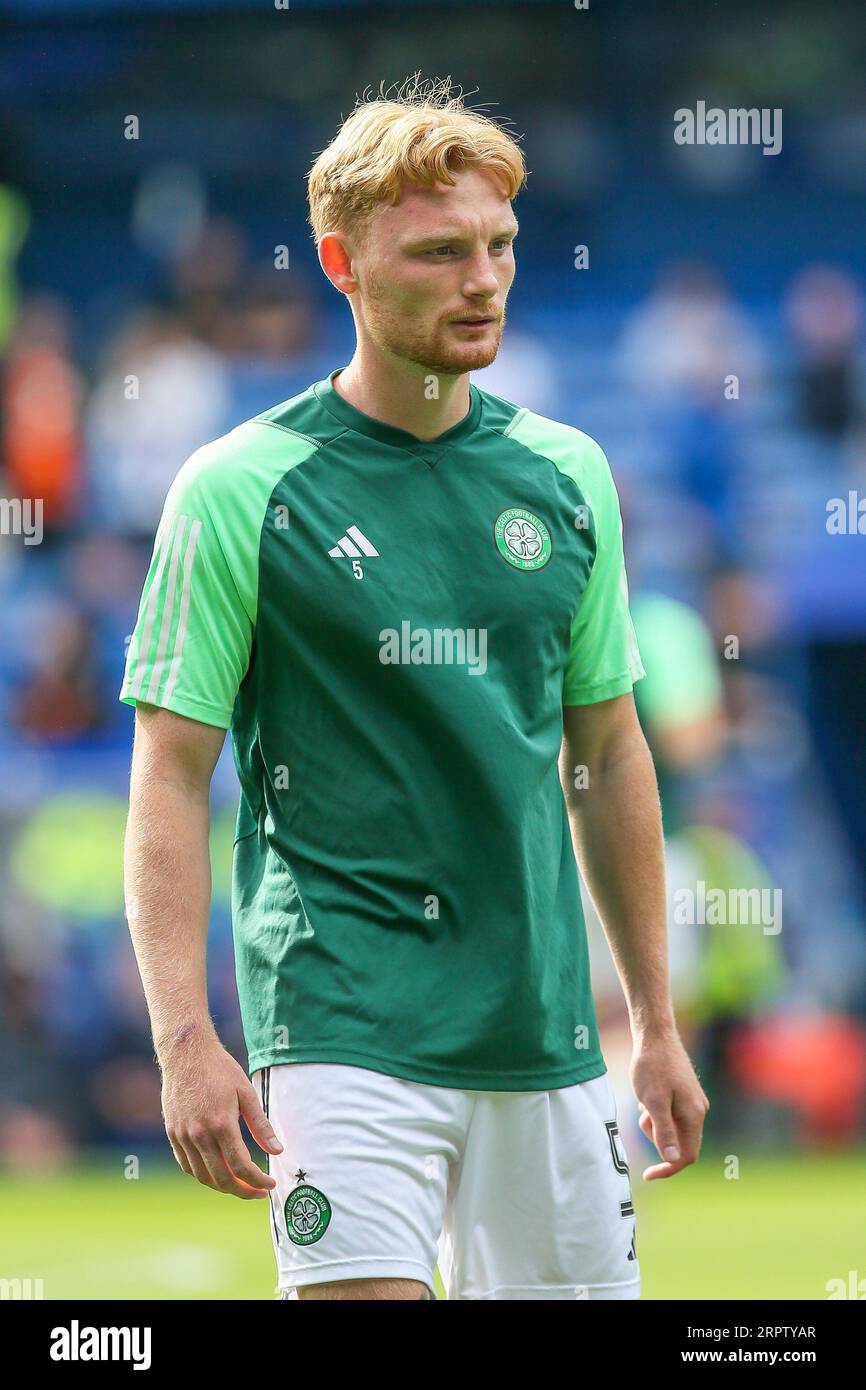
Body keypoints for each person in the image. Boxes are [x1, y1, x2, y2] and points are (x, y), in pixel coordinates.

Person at [120, 76, 708, 1302]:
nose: (482, 279)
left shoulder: (568, 473)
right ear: (340, 262)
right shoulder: (238, 488)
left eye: (497, 246)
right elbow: (170, 773)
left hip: (544, 1035)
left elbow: (608, 752)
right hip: (341, 1027)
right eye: (438, 252)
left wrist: (651, 1022)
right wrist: (186, 1040)